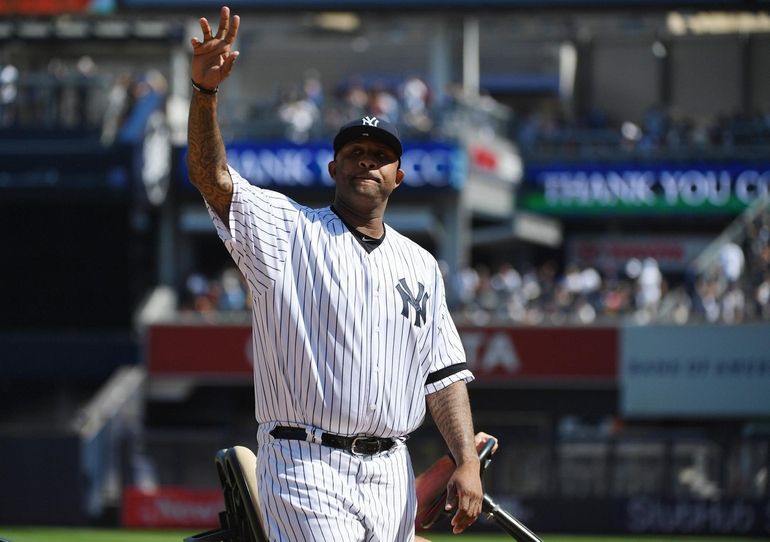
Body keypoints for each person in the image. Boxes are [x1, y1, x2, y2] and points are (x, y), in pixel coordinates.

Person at [187, 6, 483, 541]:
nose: (365, 161)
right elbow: (212, 178)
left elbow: (443, 377)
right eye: (353, 152)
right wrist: (205, 95)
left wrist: (465, 460)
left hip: (390, 471)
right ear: (333, 169)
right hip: (305, 464)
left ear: (398, 175)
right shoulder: (287, 229)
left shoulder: (420, 264)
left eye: (378, 155)